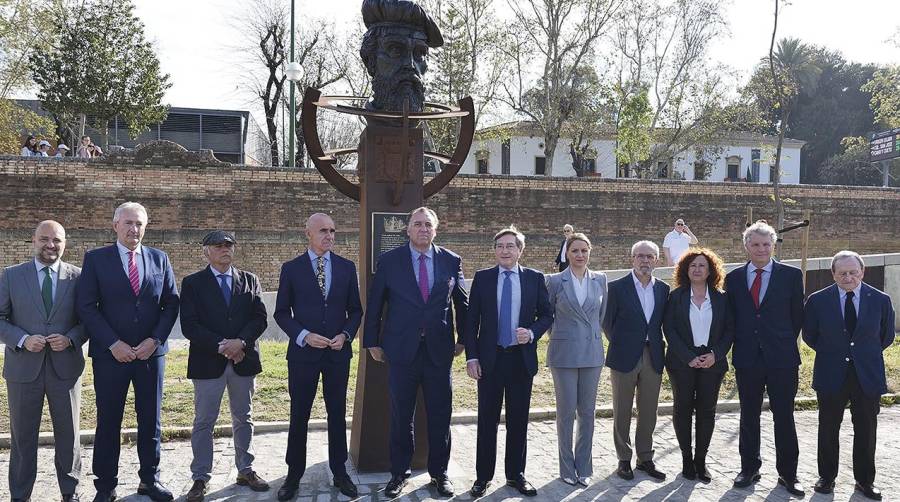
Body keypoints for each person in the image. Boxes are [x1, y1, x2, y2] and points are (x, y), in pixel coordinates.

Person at [76, 202, 179, 502]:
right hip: (111, 356)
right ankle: (105, 486)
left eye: (140, 224)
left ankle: (150, 479)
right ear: (115, 225)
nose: (134, 229)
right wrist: (112, 343)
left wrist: (155, 340)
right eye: (128, 223)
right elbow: (87, 307)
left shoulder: (160, 259)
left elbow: (171, 304)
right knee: (109, 420)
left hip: (150, 355)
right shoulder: (96, 260)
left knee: (151, 419)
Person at [363, 207, 468, 499]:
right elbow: (375, 304)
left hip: (438, 352)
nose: (423, 229)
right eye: (417, 224)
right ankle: (399, 474)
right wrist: (371, 340)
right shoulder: (389, 261)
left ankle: (440, 473)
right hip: (401, 352)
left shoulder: (451, 260)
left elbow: (463, 304)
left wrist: (465, 340)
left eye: (428, 225)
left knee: (440, 415)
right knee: (400, 416)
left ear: (436, 230)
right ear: (407, 229)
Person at [274, 213, 363, 500]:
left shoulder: (346, 268)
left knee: (336, 414)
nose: (329, 235)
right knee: (299, 414)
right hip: (303, 356)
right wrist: (303, 336)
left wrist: (346, 335)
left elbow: (356, 311)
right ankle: (293, 475)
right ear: (308, 233)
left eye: (333, 231)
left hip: (337, 354)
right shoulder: (292, 268)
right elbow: (281, 312)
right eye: (323, 230)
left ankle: (340, 472)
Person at [464, 226, 554, 498]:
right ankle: (483, 477)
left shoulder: (534, 278)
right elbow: (471, 322)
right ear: (495, 250)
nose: (505, 250)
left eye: (510, 246)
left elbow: (547, 315)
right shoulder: (483, 278)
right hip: (490, 361)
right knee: (486, 420)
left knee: (518, 420)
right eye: (500, 246)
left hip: (520, 361)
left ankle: (516, 475)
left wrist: (533, 333)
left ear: (520, 250)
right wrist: (472, 356)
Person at [180, 230, 270, 502]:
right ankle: (200, 477)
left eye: (229, 245)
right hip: (208, 362)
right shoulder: (193, 283)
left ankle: (246, 469)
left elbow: (259, 318)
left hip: (243, 360)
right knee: (204, 421)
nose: (224, 249)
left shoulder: (249, 280)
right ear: (205, 251)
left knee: (244, 417)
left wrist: (241, 342)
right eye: (218, 246)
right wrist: (223, 345)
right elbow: (190, 325)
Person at [0, 221, 87, 502]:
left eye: (57, 240)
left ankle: (69, 491)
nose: (51, 245)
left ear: (65, 243)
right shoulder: (11, 276)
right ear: (33, 240)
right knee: (23, 437)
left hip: (66, 368)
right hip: (24, 368)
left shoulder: (79, 277)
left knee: (69, 435)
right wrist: (23, 339)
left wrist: (71, 338)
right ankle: (20, 495)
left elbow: (90, 320)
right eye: (45, 239)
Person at [803, 251, 895, 501]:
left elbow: (885, 337)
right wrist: (835, 352)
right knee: (829, 427)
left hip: (867, 374)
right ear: (833, 273)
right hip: (831, 372)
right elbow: (810, 335)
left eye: (853, 272)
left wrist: (862, 354)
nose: (848, 277)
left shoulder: (880, 300)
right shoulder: (817, 300)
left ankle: (865, 481)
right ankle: (827, 477)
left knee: (866, 429)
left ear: (862, 272)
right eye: (842, 273)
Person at [725, 220, 804, 496]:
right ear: (746, 246)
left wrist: (778, 341)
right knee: (749, 416)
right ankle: (749, 468)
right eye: (755, 244)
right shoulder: (733, 278)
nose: (761, 249)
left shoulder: (791, 276)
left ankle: (789, 474)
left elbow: (797, 318)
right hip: (747, 358)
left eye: (766, 244)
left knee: (784, 416)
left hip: (782, 359)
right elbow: (731, 318)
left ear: (774, 245)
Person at [662, 248, 732, 483]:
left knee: (706, 411)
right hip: (682, 361)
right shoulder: (676, 296)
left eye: (702, 265)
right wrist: (687, 356)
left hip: (712, 361)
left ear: (711, 270)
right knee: (682, 409)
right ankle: (686, 459)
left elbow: (729, 330)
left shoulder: (722, 298)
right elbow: (669, 329)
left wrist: (716, 354)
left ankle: (701, 461)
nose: (697, 269)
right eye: (692, 265)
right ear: (685, 270)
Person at [603, 240, 670, 481]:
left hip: (653, 355)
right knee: (622, 409)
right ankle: (624, 459)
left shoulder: (663, 289)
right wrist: (623, 342)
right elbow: (607, 322)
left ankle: (645, 458)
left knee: (649, 410)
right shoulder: (617, 288)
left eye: (650, 256)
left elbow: (663, 322)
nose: (645, 260)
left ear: (656, 260)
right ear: (632, 259)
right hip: (624, 355)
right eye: (640, 256)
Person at [545, 232, 607, 486]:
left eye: (584, 250)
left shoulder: (600, 280)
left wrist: (589, 336)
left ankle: (584, 467)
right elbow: (548, 316)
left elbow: (600, 316)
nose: (580, 255)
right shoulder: (555, 281)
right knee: (566, 413)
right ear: (566, 254)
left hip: (592, 353)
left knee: (588, 413)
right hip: (564, 353)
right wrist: (564, 337)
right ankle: (566, 467)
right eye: (575, 251)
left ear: (589, 253)